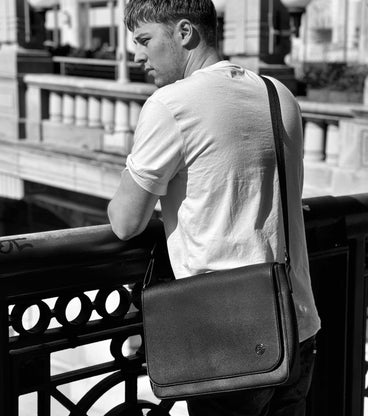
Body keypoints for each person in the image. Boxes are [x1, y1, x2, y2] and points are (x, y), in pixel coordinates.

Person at [108, 1, 321, 414]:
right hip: (297, 327)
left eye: (144, 40)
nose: (136, 55)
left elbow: (125, 221)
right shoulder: (278, 94)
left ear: (185, 32)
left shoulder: (171, 105)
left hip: (229, 343)